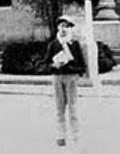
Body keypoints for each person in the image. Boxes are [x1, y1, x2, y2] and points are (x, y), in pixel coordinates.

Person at [44, 16, 88, 147]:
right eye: (62, 26)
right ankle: (61, 135)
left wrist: (76, 71)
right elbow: (45, 63)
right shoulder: (53, 45)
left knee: (73, 108)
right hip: (58, 77)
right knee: (59, 108)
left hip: (71, 77)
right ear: (58, 27)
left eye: (67, 26)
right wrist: (53, 65)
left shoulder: (74, 45)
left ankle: (76, 135)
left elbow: (82, 64)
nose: (64, 29)